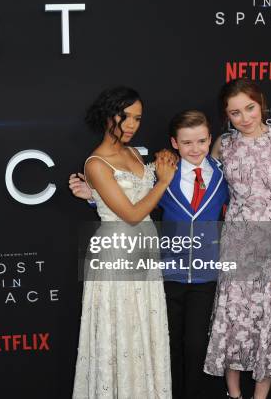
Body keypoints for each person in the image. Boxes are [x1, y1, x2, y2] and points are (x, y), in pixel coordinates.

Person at [71, 109, 230, 398]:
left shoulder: (222, 174)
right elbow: (133, 201)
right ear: (174, 143)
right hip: (166, 274)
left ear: (210, 140)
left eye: (202, 141)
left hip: (206, 275)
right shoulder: (161, 170)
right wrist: (94, 197)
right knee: (164, 344)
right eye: (187, 142)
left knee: (196, 346)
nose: (195, 148)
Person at [203, 77, 271, 399]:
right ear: (226, 116)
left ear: (261, 103)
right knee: (234, 316)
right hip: (236, 242)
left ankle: (260, 396)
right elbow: (198, 182)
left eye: (249, 108)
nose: (245, 118)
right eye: (235, 113)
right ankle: (233, 394)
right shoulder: (224, 144)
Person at [72, 86, 176, 398]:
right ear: (107, 115)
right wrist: (164, 181)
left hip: (145, 250)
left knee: (143, 327)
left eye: (137, 118)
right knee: (119, 329)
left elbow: (134, 199)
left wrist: (161, 166)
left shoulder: (133, 153)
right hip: (117, 250)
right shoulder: (96, 163)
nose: (131, 124)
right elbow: (131, 214)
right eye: (124, 116)